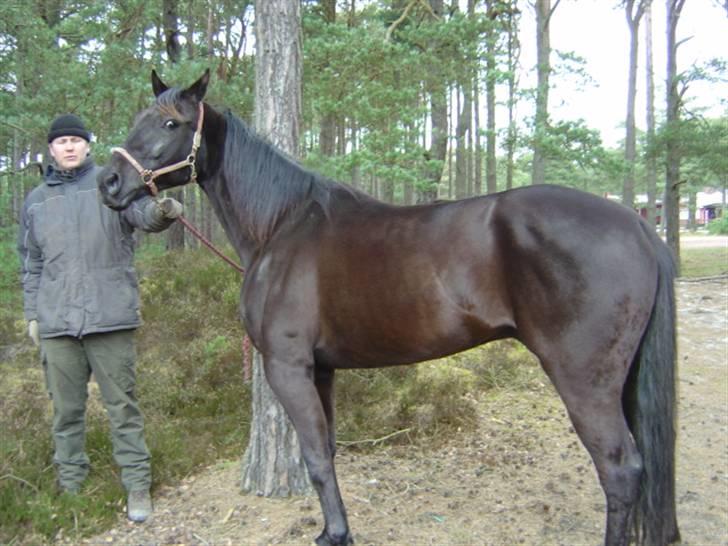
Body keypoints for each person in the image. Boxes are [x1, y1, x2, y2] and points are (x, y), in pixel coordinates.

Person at [17, 113, 183, 523]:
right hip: (57, 323)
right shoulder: (36, 200)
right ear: (51, 148)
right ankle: (72, 487)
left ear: (88, 146)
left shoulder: (111, 183)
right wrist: (33, 315)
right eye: (62, 141)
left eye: (76, 140)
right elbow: (31, 263)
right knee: (65, 412)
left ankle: (137, 487)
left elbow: (143, 216)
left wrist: (162, 212)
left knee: (122, 408)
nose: (69, 147)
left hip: (110, 317)